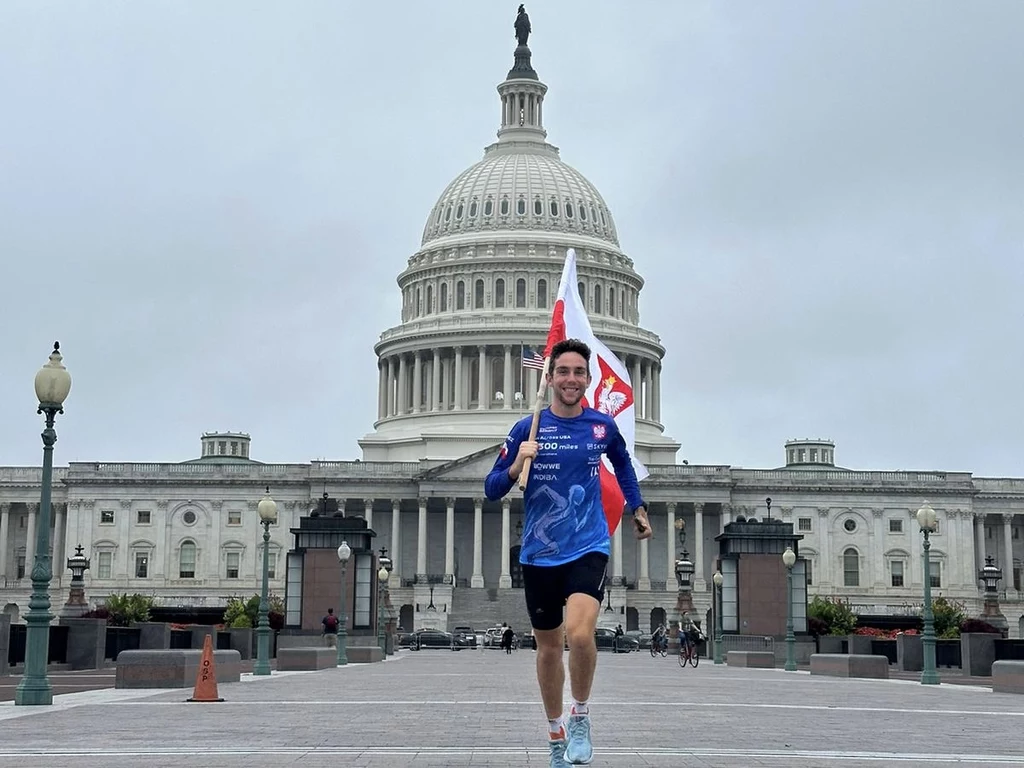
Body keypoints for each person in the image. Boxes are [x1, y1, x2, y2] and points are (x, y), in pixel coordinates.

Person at [485, 338, 652, 767]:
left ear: (589, 379)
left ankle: (580, 713)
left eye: (579, 372)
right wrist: (517, 464)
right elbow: (491, 489)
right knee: (546, 649)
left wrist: (638, 507)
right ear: (550, 377)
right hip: (539, 554)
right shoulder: (527, 429)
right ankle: (555, 731)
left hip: (588, 543)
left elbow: (624, 465)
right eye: (563, 372)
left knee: (578, 634)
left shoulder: (601, 426)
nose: (571, 379)